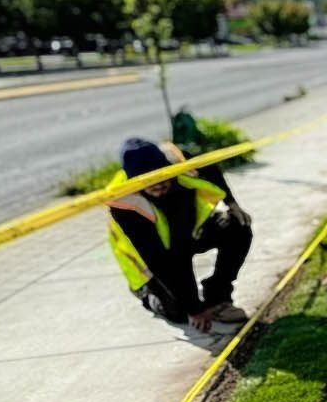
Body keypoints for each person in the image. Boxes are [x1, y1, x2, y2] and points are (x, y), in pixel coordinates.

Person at [107, 137, 252, 332]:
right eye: (152, 186)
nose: (159, 190)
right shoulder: (124, 204)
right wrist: (194, 308)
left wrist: (232, 204)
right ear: (136, 183)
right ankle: (146, 293)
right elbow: (159, 260)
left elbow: (209, 169)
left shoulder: (180, 161)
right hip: (147, 261)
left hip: (185, 235)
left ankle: (217, 299)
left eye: (163, 181)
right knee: (180, 313)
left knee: (237, 227)